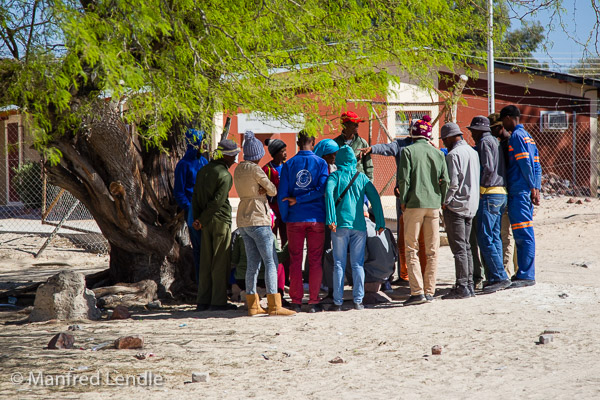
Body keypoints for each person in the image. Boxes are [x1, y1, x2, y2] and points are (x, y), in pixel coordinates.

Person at [234, 131, 295, 316]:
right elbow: (273, 190)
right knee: (271, 261)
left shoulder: (239, 168)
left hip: (243, 218)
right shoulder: (256, 169)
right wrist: (263, 188)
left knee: (253, 262)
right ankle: (274, 304)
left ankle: (253, 304)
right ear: (258, 155)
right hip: (259, 218)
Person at [359, 136, 428, 286]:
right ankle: (404, 275)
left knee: (421, 241)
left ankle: (423, 275)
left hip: (421, 199)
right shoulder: (401, 145)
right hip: (403, 199)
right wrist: (372, 149)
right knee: (403, 239)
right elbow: (386, 148)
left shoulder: (428, 147)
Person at [325, 145, 386, 311]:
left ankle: (337, 302)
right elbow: (375, 197)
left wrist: (330, 217)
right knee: (357, 264)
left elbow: (328, 194)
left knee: (339, 263)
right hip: (359, 226)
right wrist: (380, 222)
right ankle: (358, 301)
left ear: (339, 160)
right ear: (353, 160)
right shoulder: (362, 178)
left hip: (338, 226)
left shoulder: (334, 176)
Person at [397, 115, 449, 306]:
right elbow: (447, 181)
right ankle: (430, 291)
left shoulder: (408, 151)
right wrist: (441, 199)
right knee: (432, 250)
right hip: (433, 205)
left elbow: (404, 180)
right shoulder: (438, 153)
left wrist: (403, 200)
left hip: (413, 204)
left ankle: (417, 291)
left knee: (412, 249)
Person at [278, 130, 329, 313]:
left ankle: (296, 301)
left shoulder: (289, 164)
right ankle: (314, 301)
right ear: (313, 142)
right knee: (315, 260)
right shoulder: (321, 163)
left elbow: (282, 195)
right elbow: (322, 190)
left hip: (294, 219)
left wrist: (287, 215)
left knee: (295, 260)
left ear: (298, 142)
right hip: (316, 218)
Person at [192, 139, 240, 311]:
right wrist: (202, 219)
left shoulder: (203, 170)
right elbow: (218, 202)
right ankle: (218, 302)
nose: (235, 159)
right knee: (220, 262)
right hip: (219, 221)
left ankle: (202, 300)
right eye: (233, 155)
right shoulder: (225, 175)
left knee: (205, 262)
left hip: (204, 222)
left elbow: (196, 197)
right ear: (226, 156)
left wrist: (198, 220)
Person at [468, 115, 512, 294]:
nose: (472, 135)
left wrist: (481, 188)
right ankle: (496, 276)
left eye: (472, 132)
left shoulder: (485, 142)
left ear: (479, 131)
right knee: (494, 237)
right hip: (501, 194)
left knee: (485, 237)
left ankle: (499, 277)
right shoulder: (493, 140)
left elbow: (489, 168)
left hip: (489, 194)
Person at [500, 105, 542, 288]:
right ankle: (523, 273)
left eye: (503, 120)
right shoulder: (529, 137)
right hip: (526, 191)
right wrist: (536, 187)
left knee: (523, 234)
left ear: (509, 118)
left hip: (520, 192)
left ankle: (526, 275)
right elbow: (537, 165)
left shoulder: (516, 137)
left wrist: (532, 186)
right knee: (524, 233)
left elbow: (525, 163)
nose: (502, 124)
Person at [440, 122, 480, 299]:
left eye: (444, 140)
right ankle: (469, 284)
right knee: (467, 247)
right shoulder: (472, 151)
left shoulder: (453, 155)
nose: (444, 143)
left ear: (449, 137)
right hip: (471, 205)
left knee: (458, 249)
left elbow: (453, 183)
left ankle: (462, 286)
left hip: (456, 206)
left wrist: (445, 201)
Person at [173, 128, 208, 283]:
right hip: (193, 212)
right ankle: (201, 286)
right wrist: (190, 209)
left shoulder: (204, 161)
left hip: (207, 210)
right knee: (199, 250)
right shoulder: (183, 165)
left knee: (208, 249)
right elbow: (179, 192)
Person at [488, 112, 517, 278]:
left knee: (506, 236)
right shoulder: (507, 142)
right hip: (511, 194)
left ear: (499, 127)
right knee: (511, 236)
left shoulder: (505, 145)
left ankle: (506, 272)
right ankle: (516, 271)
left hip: (507, 194)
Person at [334, 111, 374, 181]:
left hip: (359, 183)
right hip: (341, 182)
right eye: (354, 124)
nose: (357, 126)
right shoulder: (335, 144)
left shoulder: (362, 143)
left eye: (357, 123)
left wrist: (369, 183)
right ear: (345, 125)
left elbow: (369, 166)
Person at [263, 138, 288, 246]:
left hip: (286, 209)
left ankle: (286, 263)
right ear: (275, 153)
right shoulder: (267, 169)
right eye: (282, 151)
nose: (285, 153)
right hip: (272, 210)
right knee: (271, 239)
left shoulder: (287, 166)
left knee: (286, 239)